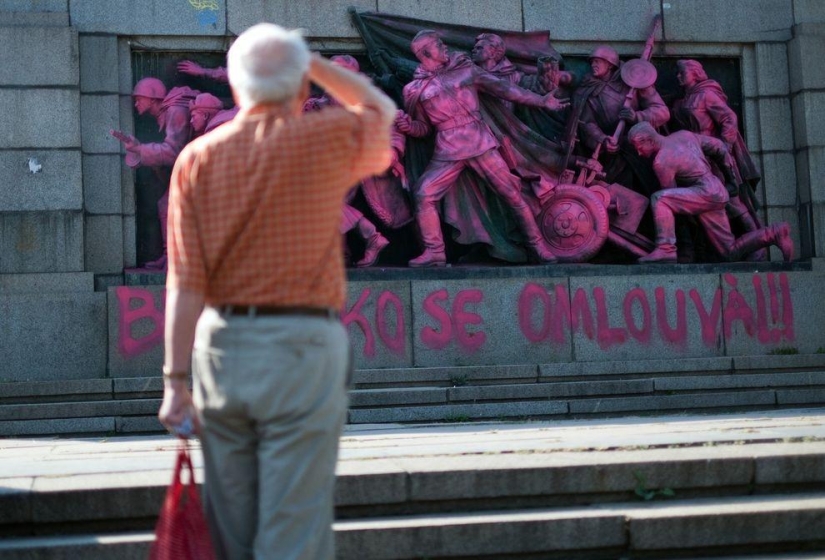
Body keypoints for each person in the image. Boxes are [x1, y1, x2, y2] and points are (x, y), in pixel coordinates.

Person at [158, 22, 395, 560]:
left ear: (234, 88)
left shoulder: (195, 158)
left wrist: (175, 381)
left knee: (231, 525)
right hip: (302, 344)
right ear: (303, 90)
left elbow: (185, 280)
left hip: (221, 347)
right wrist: (313, 63)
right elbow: (380, 110)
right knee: (294, 522)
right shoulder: (325, 139)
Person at [397, 30, 568, 267]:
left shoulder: (466, 69)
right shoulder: (414, 90)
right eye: (438, 44)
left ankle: (539, 248)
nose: (444, 46)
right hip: (447, 150)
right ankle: (435, 251)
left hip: (479, 143)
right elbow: (423, 129)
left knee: (512, 194)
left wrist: (541, 101)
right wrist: (408, 126)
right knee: (424, 193)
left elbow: (505, 89)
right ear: (426, 52)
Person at [627, 122, 793, 264]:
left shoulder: (661, 162)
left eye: (639, 148)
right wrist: (731, 180)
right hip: (715, 191)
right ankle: (774, 233)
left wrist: (686, 241)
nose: (640, 153)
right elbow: (719, 147)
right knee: (729, 252)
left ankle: (666, 248)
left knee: (660, 199)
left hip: (705, 193)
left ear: (649, 140)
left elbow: (672, 201)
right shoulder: (684, 135)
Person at [302, 54, 411, 267]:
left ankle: (369, 237)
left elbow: (393, 130)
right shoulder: (324, 102)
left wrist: (392, 152)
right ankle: (347, 250)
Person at [671, 58, 765, 260]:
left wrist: (723, 145)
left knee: (731, 201)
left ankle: (759, 243)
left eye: (682, 73)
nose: (678, 76)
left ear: (695, 73)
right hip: (691, 157)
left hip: (712, 157)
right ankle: (698, 250)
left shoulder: (707, 94)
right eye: (678, 73)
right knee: (694, 203)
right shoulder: (684, 99)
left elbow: (729, 118)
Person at [110, 78, 198, 270]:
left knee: (170, 205)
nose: (136, 104)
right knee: (165, 204)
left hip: (204, 169)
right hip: (191, 168)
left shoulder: (176, 111)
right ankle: (169, 256)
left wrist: (141, 149)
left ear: (152, 98)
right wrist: (138, 152)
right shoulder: (166, 114)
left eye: (139, 99)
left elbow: (173, 151)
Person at [572, 45, 669, 197]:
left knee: (647, 188)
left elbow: (662, 112)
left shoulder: (634, 81)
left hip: (639, 149)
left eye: (598, 61)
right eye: (592, 62)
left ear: (610, 64)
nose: (593, 65)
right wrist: (602, 140)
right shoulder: (587, 89)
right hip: (609, 151)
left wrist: (636, 116)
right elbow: (586, 123)